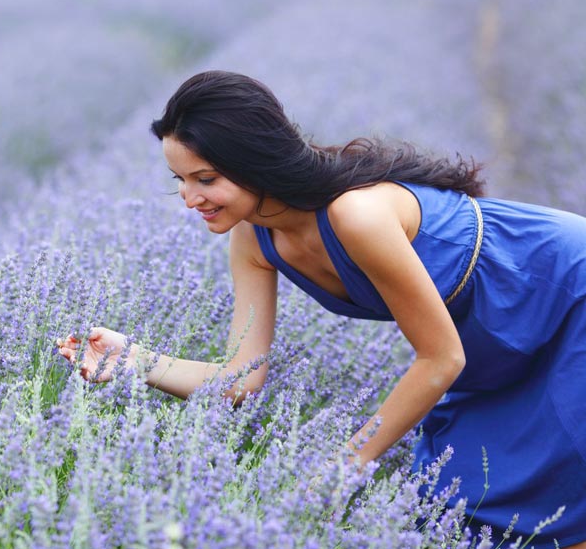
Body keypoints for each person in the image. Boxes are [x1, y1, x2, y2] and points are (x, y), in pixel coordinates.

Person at [55, 70, 586, 546]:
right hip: (492, 337)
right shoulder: (252, 241)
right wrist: (136, 364)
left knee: (563, 491)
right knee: (471, 503)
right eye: (180, 181)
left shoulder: (355, 215)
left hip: (563, 290)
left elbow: (440, 359)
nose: (189, 199)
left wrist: (346, 465)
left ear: (252, 163)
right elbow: (242, 378)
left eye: (206, 179)